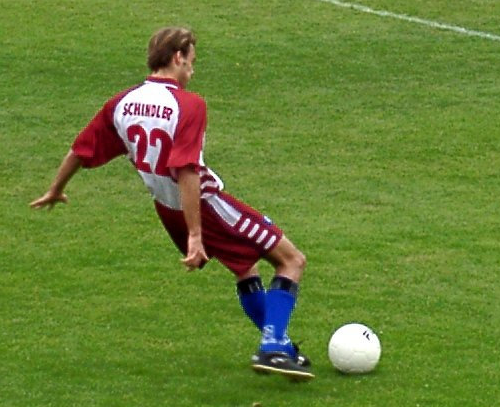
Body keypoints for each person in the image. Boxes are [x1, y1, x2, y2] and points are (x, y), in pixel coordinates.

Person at [30, 26, 314, 380]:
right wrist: (196, 234)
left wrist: (56, 188)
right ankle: (272, 347)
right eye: (192, 62)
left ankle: (282, 347)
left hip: (167, 210)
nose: (192, 72)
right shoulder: (188, 105)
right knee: (291, 260)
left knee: (246, 268)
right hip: (205, 205)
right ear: (177, 57)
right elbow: (186, 170)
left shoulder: (122, 103)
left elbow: (81, 149)